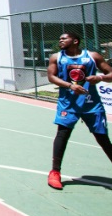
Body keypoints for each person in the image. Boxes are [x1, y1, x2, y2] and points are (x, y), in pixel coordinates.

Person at [46, 31, 112, 190]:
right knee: (62, 134)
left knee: (102, 138)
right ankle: (55, 172)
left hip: (92, 104)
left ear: (75, 41)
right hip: (68, 104)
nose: (60, 40)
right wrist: (70, 85)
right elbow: (51, 77)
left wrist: (100, 78)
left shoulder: (92, 56)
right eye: (60, 38)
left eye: (64, 38)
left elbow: (110, 74)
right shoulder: (56, 57)